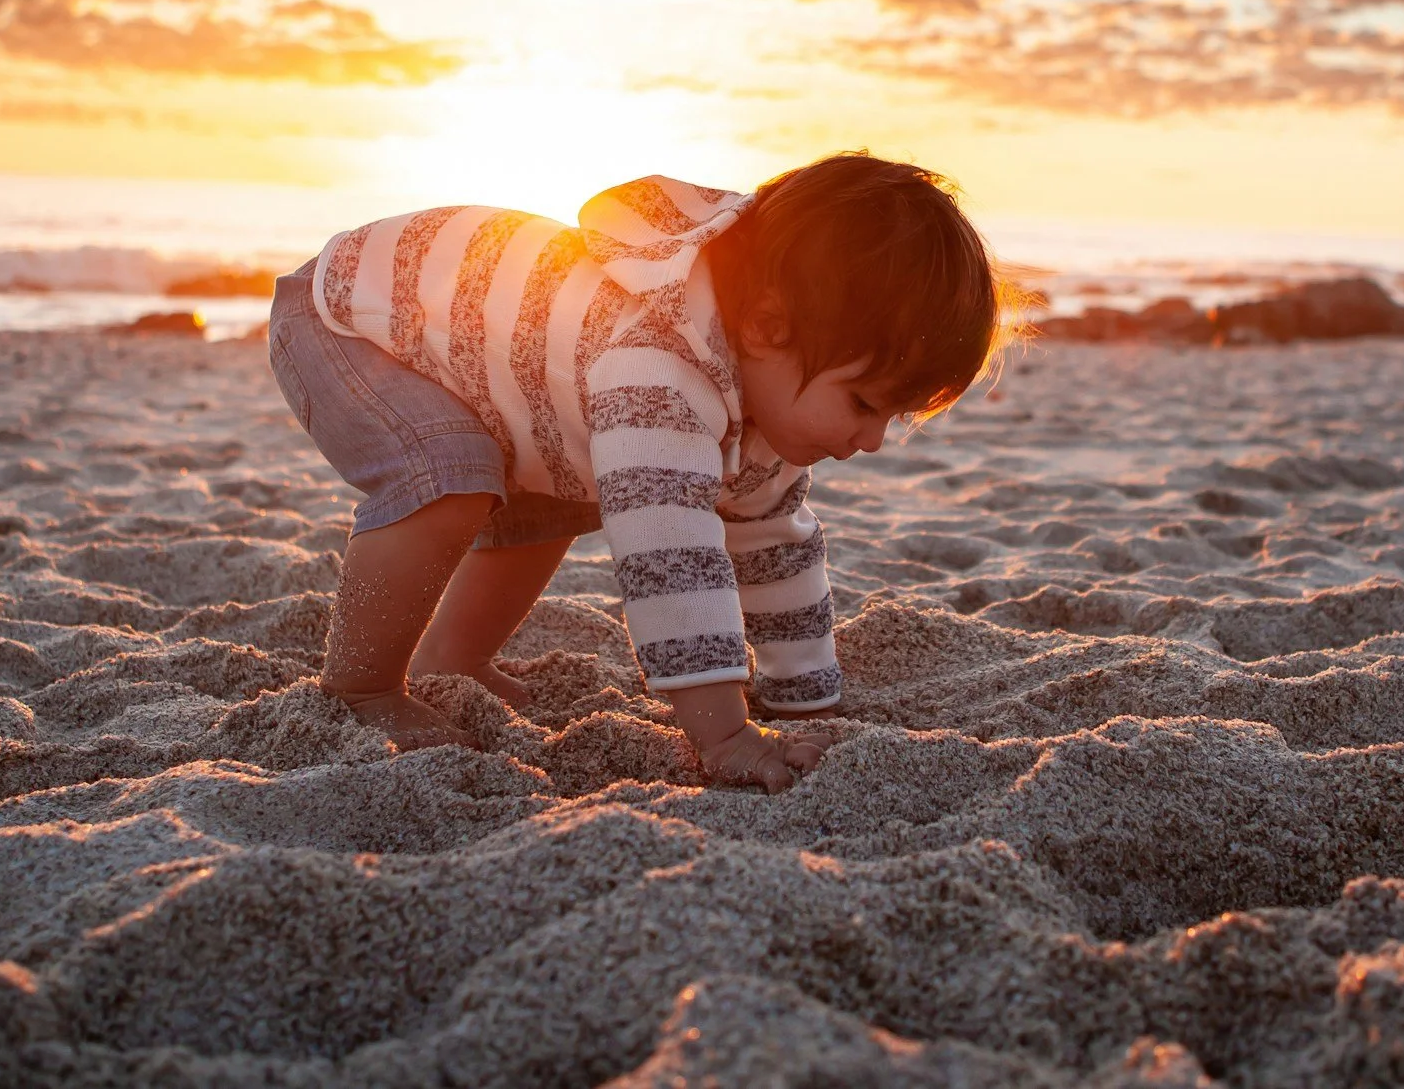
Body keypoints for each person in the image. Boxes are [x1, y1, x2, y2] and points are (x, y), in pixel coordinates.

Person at [265, 153, 1010, 793]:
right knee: (453, 473)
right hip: (351, 319)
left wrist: (804, 701)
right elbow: (672, 557)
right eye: (864, 403)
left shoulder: (763, 403)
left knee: (558, 497)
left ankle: (451, 662)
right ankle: (360, 685)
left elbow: (777, 543)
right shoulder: (658, 363)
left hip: (496, 375)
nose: (875, 440)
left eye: (894, 419)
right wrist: (724, 737)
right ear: (767, 326)